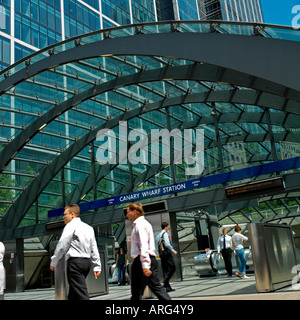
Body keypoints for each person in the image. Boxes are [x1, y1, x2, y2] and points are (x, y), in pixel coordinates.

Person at [50, 204, 101, 300]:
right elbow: (94, 247)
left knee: (81, 294)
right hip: (86, 263)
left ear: (72, 215)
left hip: (75, 264)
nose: (63, 217)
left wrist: (54, 261)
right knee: (74, 294)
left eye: (65, 214)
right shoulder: (89, 228)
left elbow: (62, 246)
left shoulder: (70, 226)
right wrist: (97, 265)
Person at [125, 202, 171, 300]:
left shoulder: (140, 225)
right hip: (149, 259)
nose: (126, 214)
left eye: (128, 211)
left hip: (143, 261)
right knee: (157, 288)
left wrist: (145, 265)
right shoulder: (145, 223)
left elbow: (143, 244)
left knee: (136, 291)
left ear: (136, 211)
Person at [156, 222, 177, 292]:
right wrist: (173, 250)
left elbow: (157, 244)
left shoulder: (159, 235)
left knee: (165, 269)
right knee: (173, 267)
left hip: (161, 254)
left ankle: (167, 287)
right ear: (165, 227)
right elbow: (167, 244)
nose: (168, 228)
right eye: (167, 227)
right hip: (167, 253)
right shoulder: (165, 233)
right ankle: (165, 282)